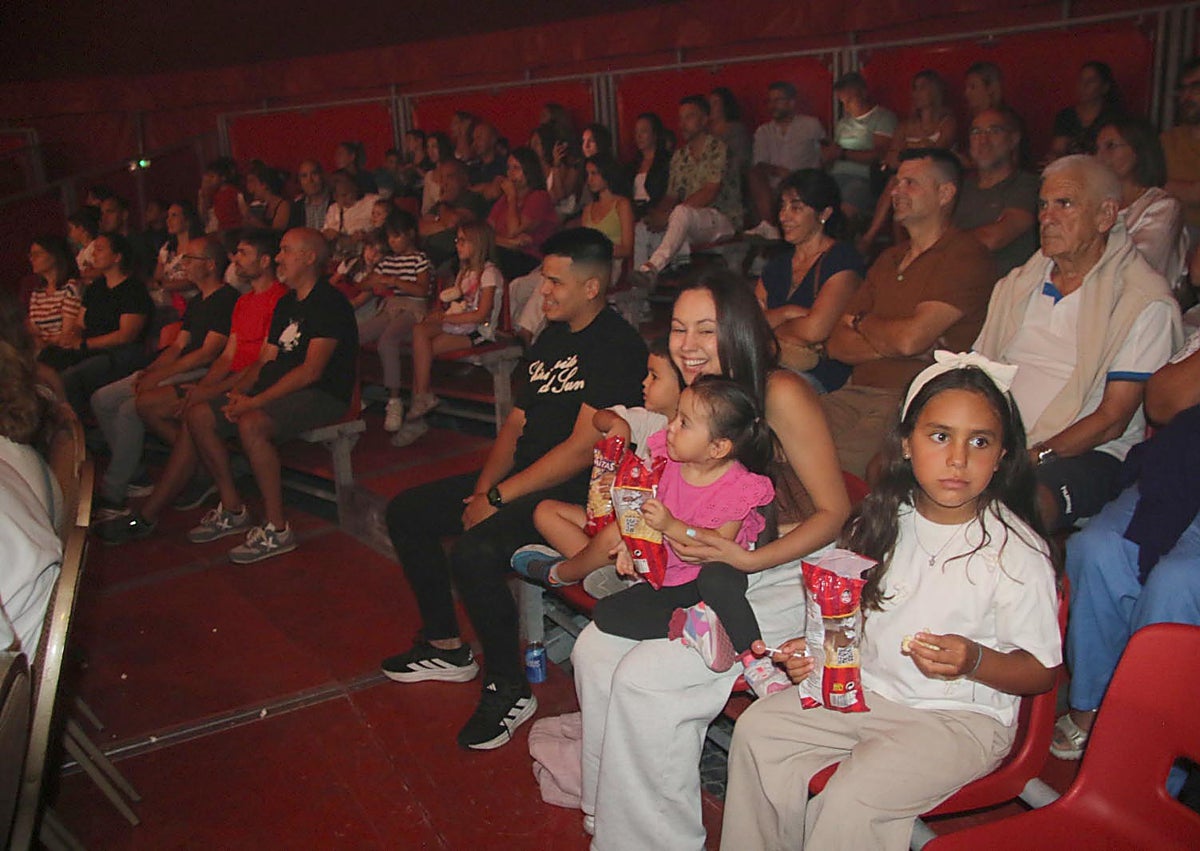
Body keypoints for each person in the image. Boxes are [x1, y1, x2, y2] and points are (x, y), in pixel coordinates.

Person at [721, 352, 1062, 851]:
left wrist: (974, 660)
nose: (958, 459)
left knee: (853, 799)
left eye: (980, 442)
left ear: (1004, 455)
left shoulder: (1016, 554)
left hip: (957, 721)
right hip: (868, 690)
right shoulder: (879, 523)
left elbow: (1042, 672)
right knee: (759, 731)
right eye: (940, 436)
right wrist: (813, 650)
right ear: (907, 443)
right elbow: (851, 619)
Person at [572, 270, 851, 848]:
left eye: (706, 330)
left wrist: (750, 560)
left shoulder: (779, 393)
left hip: (784, 566)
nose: (688, 345)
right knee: (593, 652)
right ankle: (612, 821)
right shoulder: (695, 400)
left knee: (650, 682)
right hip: (704, 563)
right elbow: (671, 499)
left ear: (742, 333)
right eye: (678, 329)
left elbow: (834, 512)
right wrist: (639, 541)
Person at [378, 228, 647, 751]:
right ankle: (447, 645)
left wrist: (498, 501)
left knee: (475, 553)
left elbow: (577, 450)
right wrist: (482, 492)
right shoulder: (552, 336)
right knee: (409, 511)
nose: (542, 291)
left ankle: (508, 688)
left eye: (553, 282)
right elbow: (516, 425)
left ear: (591, 288)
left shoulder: (617, 347)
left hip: (570, 495)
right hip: (521, 480)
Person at [975, 154, 1182, 531]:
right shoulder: (1018, 285)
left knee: (1025, 502)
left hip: (1088, 452)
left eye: (1064, 204)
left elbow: (1111, 419)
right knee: (894, 466)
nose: (1046, 217)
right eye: (1042, 204)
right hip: (997, 437)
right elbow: (977, 370)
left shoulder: (1142, 301)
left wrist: (1030, 456)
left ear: (1105, 216)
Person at [1050, 325, 1200, 791]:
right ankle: (1090, 707)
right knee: (1096, 548)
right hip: (1187, 467)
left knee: (1177, 581)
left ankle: (1149, 763)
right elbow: (1162, 402)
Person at [95, 231, 289, 544]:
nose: (235, 259)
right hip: (230, 379)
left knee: (193, 415)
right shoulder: (243, 302)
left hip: (254, 384)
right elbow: (227, 357)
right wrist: (202, 387)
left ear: (264, 261)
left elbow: (260, 365)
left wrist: (207, 392)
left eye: (242, 252)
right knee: (173, 406)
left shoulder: (279, 299)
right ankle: (211, 499)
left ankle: (151, 513)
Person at [180, 228, 358, 564]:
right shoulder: (287, 303)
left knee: (252, 423)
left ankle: (277, 529)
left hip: (321, 394)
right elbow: (265, 360)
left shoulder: (329, 303)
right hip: (281, 388)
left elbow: (311, 371)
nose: (278, 258)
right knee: (200, 414)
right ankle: (233, 507)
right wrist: (234, 392)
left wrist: (255, 402)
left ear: (309, 257)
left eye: (286, 251)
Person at [822, 148, 996, 477]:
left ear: (945, 194)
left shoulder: (964, 256)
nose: (896, 191)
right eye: (896, 182)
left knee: (825, 472)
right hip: (850, 392)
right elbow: (837, 345)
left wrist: (863, 323)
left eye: (910, 183)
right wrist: (896, 341)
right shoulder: (888, 258)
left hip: (907, 402)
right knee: (775, 444)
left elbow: (909, 339)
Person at [512, 336, 684, 587]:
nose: (644, 382)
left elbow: (668, 494)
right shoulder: (651, 421)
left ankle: (561, 572)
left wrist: (623, 482)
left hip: (647, 532)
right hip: (615, 526)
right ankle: (606, 572)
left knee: (611, 535)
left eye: (654, 377)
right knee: (546, 511)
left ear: (683, 386)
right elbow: (600, 418)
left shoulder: (686, 440)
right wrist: (618, 425)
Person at [89, 235, 237, 517]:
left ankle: (114, 491)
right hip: (179, 365)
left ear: (209, 264)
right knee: (102, 398)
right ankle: (136, 473)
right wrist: (152, 370)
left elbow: (207, 353)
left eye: (189, 258)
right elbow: (179, 346)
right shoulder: (196, 303)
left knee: (129, 407)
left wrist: (159, 377)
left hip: (202, 372)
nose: (182, 264)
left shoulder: (226, 298)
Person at [756, 169, 865, 394]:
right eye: (782, 207)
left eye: (796, 208)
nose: (784, 216)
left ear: (823, 213)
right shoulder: (776, 266)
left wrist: (768, 331)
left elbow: (814, 331)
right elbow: (748, 324)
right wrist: (787, 312)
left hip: (819, 376)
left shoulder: (842, 259)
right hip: (773, 369)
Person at [400, 221, 502, 444]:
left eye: (462, 240)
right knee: (420, 332)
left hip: (479, 332)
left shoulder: (489, 273)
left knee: (424, 354)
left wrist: (446, 318)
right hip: (458, 324)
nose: (458, 245)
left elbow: (480, 314)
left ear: (477, 243)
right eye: (457, 240)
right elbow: (456, 303)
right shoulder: (463, 272)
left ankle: (416, 410)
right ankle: (422, 398)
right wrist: (439, 314)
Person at [38, 232, 154, 418]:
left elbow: (126, 335)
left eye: (99, 249)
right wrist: (71, 336)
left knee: (70, 378)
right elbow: (80, 322)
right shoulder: (96, 288)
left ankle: (76, 429)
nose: (93, 254)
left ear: (117, 257)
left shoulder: (133, 289)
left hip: (119, 352)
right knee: (44, 363)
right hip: (88, 347)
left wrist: (85, 344)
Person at [634, 95, 743, 278]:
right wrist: (657, 217)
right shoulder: (679, 156)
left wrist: (668, 216)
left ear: (704, 119)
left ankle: (652, 268)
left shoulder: (718, 148)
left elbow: (710, 191)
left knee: (681, 212)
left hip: (722, 219)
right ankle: (639, 289)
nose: (683, 123)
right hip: (690, 221)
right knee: (642, 227)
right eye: (680, 118)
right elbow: (671, 196)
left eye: (689, 117)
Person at [858, 69, 958, 253]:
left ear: (935, 91)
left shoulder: (947, 121)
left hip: (936, 179)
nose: (917, 93)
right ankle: (893, 246)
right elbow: (892, 157)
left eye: (922, 88)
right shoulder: (905, 125)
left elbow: (937, 153)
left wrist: (912, 151)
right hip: (905, 178)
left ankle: (869, 238)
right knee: (898, 186)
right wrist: (919, 147)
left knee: (898, 185)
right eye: (915, 88)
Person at [355, 209, 431, 434]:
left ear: (409, 234)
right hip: (391, 307)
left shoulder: (420, 259)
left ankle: (395, 400)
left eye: (396, 236)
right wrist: (374, 280)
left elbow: (422, 289)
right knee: (354, 336)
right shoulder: (388, 261)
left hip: (413, 308)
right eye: (389, 237)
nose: (392, 242)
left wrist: (393, 281)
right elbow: (363, 285)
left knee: (387, 341)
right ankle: (353, 395)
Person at [1096, 116, 1187, 290]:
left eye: (1110, 147)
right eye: (1097, 148)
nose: (1099, 156)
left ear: (1138, 151)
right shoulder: (1098, 203)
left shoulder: (1164, 207)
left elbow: (1141, 263)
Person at [952, 107, 1039, 277]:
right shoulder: (959, 188)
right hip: (954, 281)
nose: (983, 140)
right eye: (976, 132)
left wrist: (943, 243)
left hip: (1004, 290)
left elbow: (994, 238)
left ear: (1013, 139)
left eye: (994, 131)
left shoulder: (1027, 185)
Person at [746, 81, 826, 238]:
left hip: (804, 183)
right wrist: (777, 171)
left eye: (778, 100)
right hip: (773, 186)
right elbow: (759, 164)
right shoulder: (763, 131)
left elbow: (825, 156)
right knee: (753, 174)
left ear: (791, 102)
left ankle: (769, 237)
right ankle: (769, 226)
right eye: (770, 101)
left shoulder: (811, 125)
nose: (772, 105)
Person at [822, 72, 898, 220]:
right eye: (843, 102)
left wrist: (843, 154)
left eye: (850, 100)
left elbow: (880, 154)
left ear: (863, 93)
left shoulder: (883, 118)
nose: (847, 106)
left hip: (864, 178)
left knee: (847, 205)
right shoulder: (843, 123)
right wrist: (827, 157)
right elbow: (834, 154)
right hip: (835, 176)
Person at [488, 146, 559, 280]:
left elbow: (513, 230)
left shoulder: (539, 197)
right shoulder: (504, 199)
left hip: (529, 259)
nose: (510, 173)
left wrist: (512, 198)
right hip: (506, 251)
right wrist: (510, 243)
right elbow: (486, 232)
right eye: (509, 168)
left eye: (516, 168)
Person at [420, 158, 489, 267]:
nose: (444, 183)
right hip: (427, 257)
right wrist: (444, 221)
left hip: (452, 259)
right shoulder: (439, 206)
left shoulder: (472, 198)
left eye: (450, 177)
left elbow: (452, 222)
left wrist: (442, 209)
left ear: (463, 179)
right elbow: (421, 228)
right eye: (442, 178)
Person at [1049, 61, 1123, 160]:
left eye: (1091, 81)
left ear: (1105, 87)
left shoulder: (1114, 118)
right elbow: (1059, 148)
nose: (1084, 86)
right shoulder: (1066, 116)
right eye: (1081, 80)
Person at [1161, 58, 1200, 231]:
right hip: (1167, 231)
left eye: (1196, 88)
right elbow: (1146, 184)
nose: (1187, 96)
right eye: (1183, 89)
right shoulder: (1168, 140)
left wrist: (1168, 186)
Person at [25, 235, 82, 349]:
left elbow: (67, 334)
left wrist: (44, 341)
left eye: (37, 254)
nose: (32, 259)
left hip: (62, 351)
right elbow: (33, 329)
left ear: (54, 256)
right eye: (31, 255)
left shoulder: (70, 287)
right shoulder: (38, 292)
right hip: (40, 349)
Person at [151, 200, 206, 316]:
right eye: (168, 216)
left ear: (187, 220)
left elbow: (194, 280)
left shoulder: (198, 246)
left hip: (193, 300)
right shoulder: (166, 249)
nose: (168, 220)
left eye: (174, 216)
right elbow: (157, 277)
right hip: (169, 302)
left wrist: (164, 285)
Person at [321, 172, 379, 259]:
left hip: (366, 253)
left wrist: (366, 236)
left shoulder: (373, 202)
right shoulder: (333, 209)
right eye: (342, 195)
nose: (348, 197)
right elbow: (325, 234)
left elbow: (384, 229)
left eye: (350, 192)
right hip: (339, 255)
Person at [708, 87, 752, 191]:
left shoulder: (736, 130)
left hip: (729, 182)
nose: (711, 107)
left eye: (715, 103)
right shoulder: (704, 134)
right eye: (709, 103)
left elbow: (741, 160)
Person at [198, 157, 245, 233]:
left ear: (223, 178)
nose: (209, 180)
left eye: (212, 176)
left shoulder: (233, 192)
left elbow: (244, 214)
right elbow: (204, 218)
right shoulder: (210, 194)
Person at [244, 162, 292, 231]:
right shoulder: (264, 206)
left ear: (264, 185)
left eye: (255, 184)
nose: (252, 188)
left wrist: (255, 222)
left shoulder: (283, 206)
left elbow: (276, 234)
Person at [290, 159, 331, 231]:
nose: (310, 180)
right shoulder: (297, 207)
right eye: (304, 176)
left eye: (314, 174)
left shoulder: (336, 201)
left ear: (322, 175)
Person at [421, 132, 454, 215]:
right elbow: (426, 207)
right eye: (428, 147)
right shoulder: (429, 176)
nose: (430, 151)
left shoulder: (454, 170)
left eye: (434, 146)